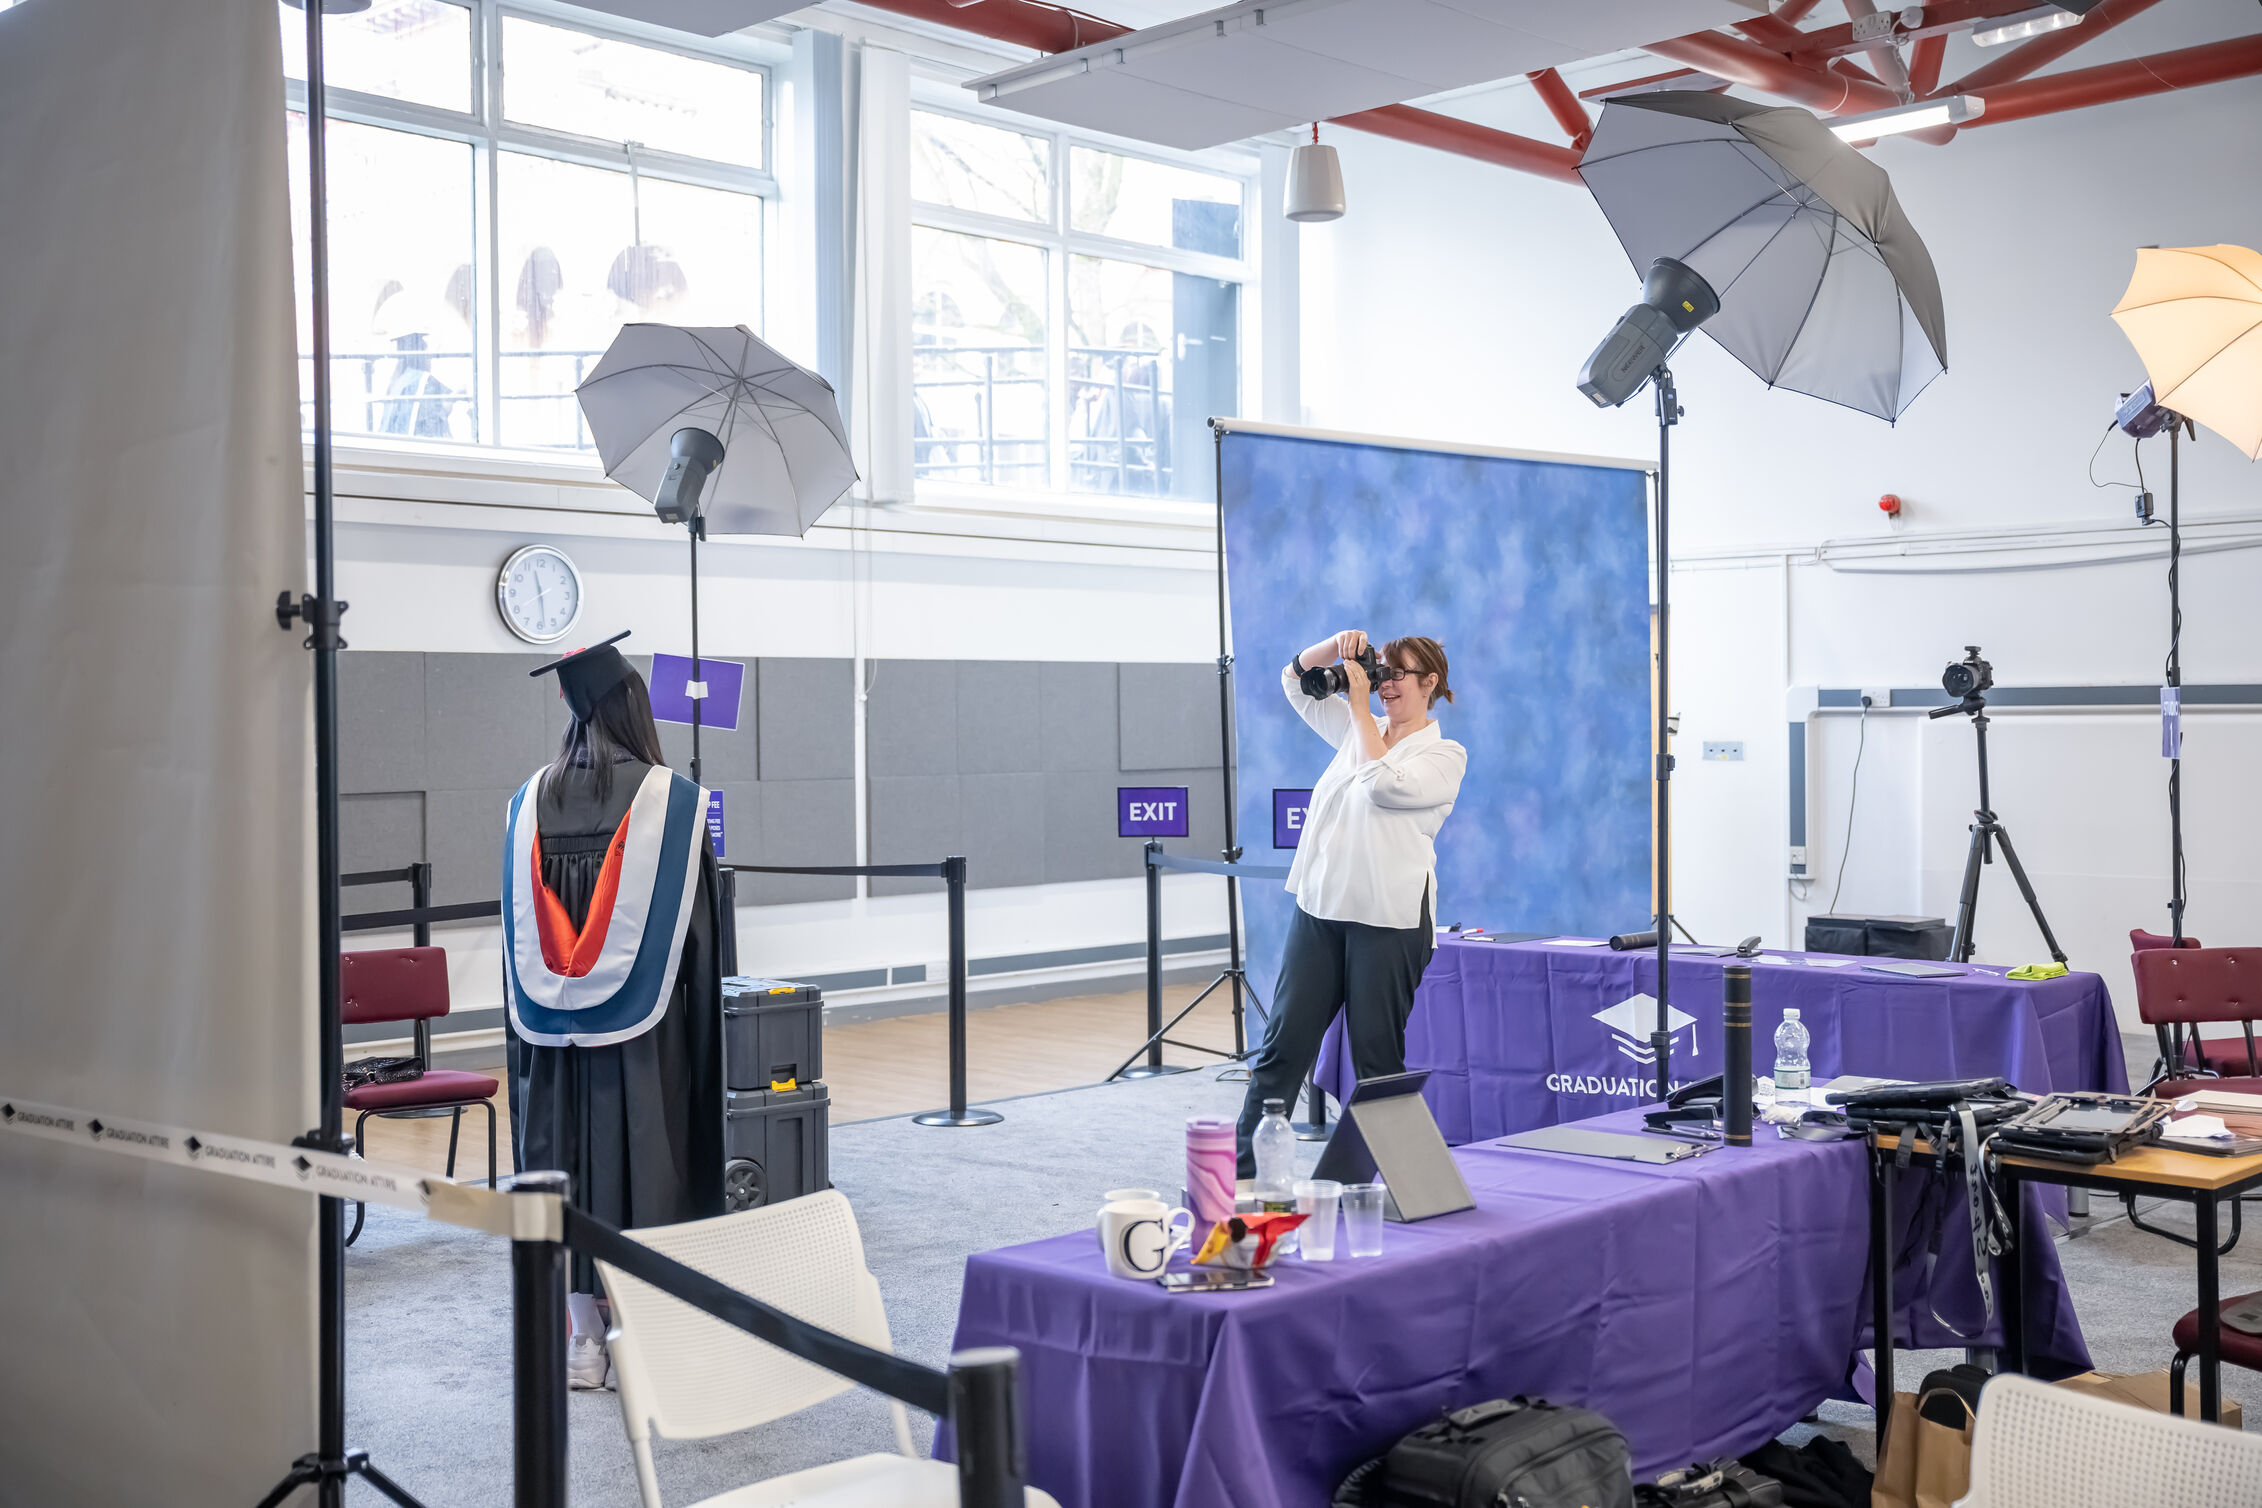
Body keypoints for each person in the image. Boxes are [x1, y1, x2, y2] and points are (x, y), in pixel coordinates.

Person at [503, 631, 724, 1390]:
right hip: (642, 1037)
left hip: (550, 1042)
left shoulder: (526, 803)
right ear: (632, 705)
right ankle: (640, 1338)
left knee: (563, 1163)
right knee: (641, 1160)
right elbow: (697, 939)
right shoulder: (673, 801)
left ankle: (583, 1343)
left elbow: (515, 937)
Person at [1235, 630, 1467, 1176]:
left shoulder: (1443, 754)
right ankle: (1241, 1180)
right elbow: (1294, 685)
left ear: (1429, 683)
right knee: (1282, 1049)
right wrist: (1331, 647)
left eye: (1397, 675)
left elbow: (1383, 785)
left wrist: (1360, 706)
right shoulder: (1356, 729)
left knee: (1375, 1061)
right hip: (1321, 911)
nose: (1384, 685)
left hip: (1388, 922)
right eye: (1380, 672)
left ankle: (1385, 1186)